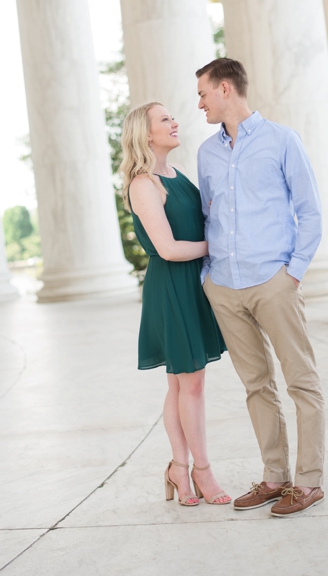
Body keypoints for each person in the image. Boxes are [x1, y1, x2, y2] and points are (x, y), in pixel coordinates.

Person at [195, 57, 325, 518]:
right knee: (256, 385)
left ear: (226, 89)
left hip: (274, 280)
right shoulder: (207, 152)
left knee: (302, 382)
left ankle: (308, 481)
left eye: (204, 94)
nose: (200, 104)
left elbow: (310, 211)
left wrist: (293, 273)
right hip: (225, 286)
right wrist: (208, 275)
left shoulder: (282, 140)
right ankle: (275, 478)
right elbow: (209, 215)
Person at [120, 102, 231, 507]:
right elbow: (166, 248)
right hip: (171, 287)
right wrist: (220, 246)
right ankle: (202, 471)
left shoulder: (176, 175)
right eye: (164, 119)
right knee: (192, 383)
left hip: (193, 284)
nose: (174, 122)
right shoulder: (143, 183)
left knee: (180, 383)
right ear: (145, 134)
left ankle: (178, 469)